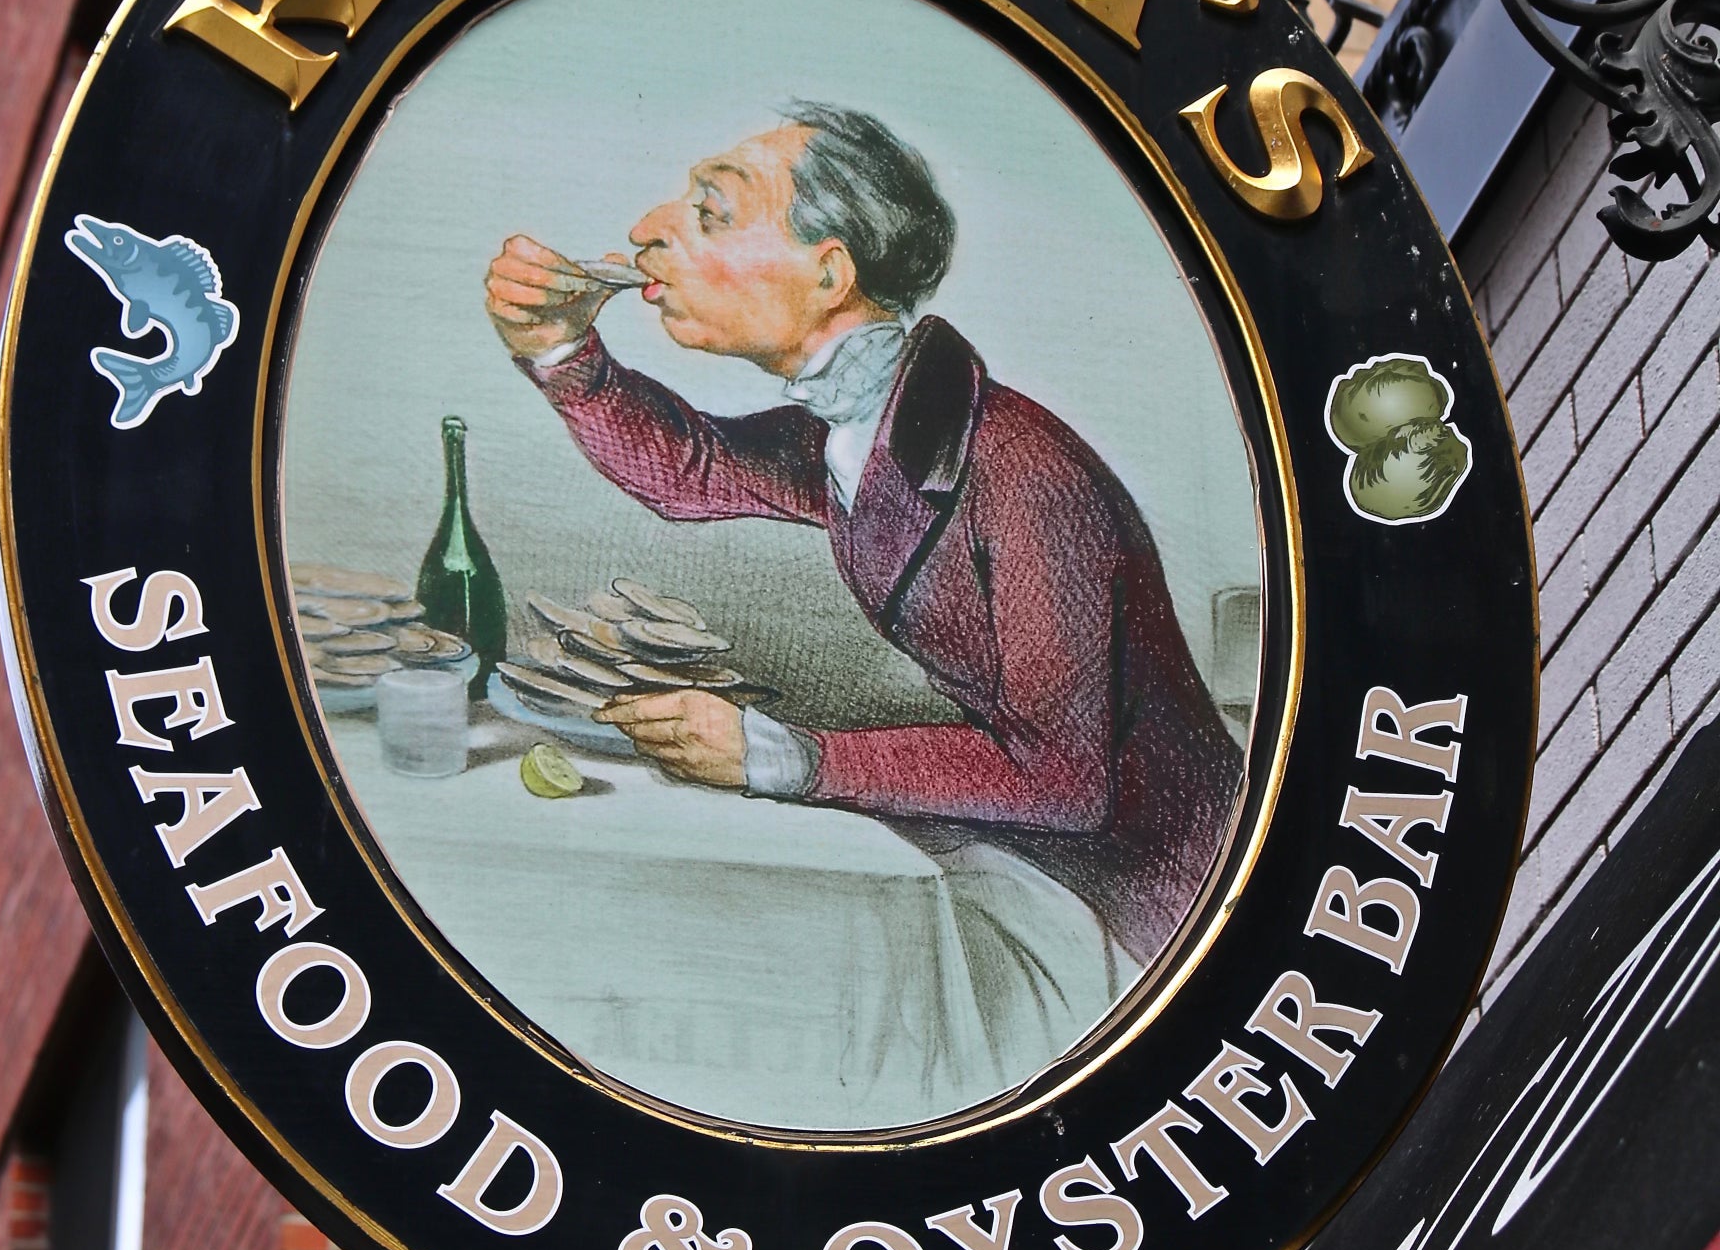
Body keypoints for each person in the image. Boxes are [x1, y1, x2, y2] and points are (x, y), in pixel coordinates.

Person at [484, 104, 1242, 965]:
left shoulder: (1024, 472)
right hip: (1051, 864)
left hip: (1167, 913)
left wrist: (784, 757)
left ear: (828, 273)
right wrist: (560, 348)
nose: (646, 231)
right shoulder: (868, 427)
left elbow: (1061, 776)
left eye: (711, 213)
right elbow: (690, 471)